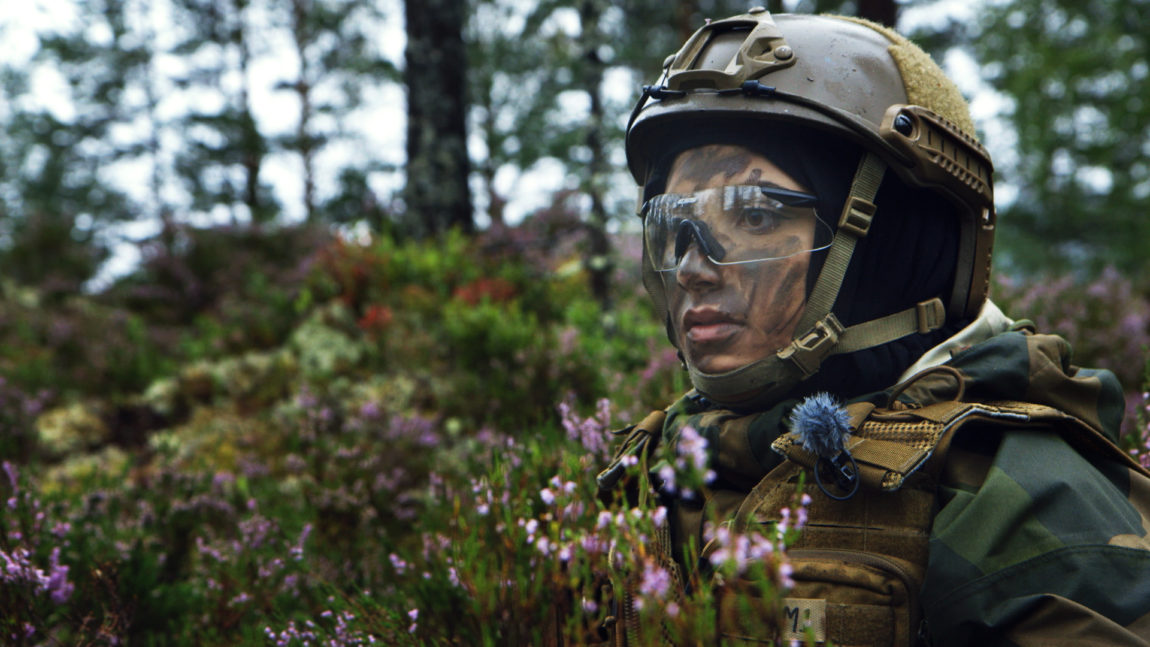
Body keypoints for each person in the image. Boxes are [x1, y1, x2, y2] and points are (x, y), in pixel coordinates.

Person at [597, 8, 1150, 646]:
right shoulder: (654, 466)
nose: (693, 268)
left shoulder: (1017, 502)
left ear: (893, 245)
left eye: (754, 215)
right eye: (674, 224)